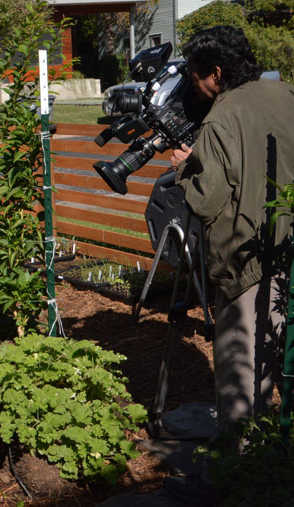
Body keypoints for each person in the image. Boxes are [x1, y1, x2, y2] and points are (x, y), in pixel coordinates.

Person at [168, 26, 294, 503]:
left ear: (215, 74)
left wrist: (186, 164)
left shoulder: (222, 118)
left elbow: (208, 200)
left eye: (196, 78)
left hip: (250, 265)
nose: (194, 88)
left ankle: (236, 482)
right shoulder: (285, 92)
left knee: (244, 383)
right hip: (290, 255)